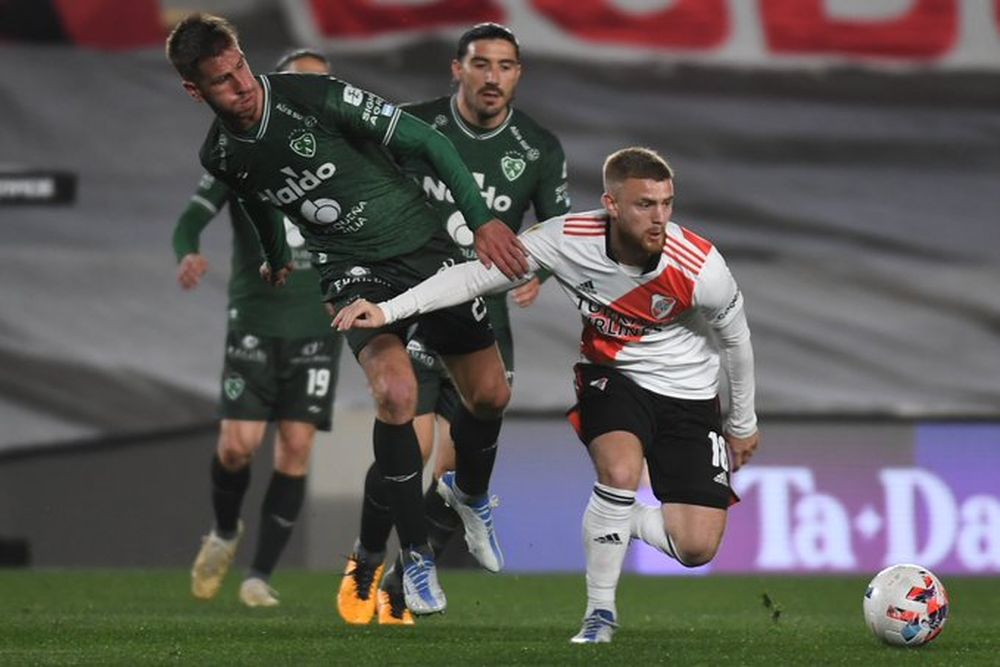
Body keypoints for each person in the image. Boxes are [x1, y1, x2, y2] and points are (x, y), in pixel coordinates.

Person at [166, 13, 528, 616]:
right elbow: (256, 197)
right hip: (349, 270)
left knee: (489, 396)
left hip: (423, 249)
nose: (242, 86)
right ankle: (413, 558)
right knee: (394, 394)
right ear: (194, 91)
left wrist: (483, 218)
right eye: (223, 83)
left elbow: (428, 141)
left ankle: (470, 496)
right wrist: (278, 255)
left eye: (241, 69)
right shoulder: (221, 152)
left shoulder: (311, 96)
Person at [333, 147, 761, 643]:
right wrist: (388, 311)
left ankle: (616, 517)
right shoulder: (565, 239)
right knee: (619, 472)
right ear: (612, 204)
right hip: (612, 377)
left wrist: (743, 422)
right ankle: (600, 615)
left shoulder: (701, 266)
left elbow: (737, 340)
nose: (660, 216)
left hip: (690, 395)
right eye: (645, 204)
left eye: (667, 203)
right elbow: (474, 276)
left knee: (695, 549)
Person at [336, 22, 572, 627]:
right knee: (407, 442)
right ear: (457, 69)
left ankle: (405, 577)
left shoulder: (537, 147)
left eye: (506, 66)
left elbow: (557, 230)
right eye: (481, 63)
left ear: (519, 74)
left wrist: (536, 274)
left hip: (483, 315)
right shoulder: (412, 127)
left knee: (452, 464)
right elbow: (360, 186)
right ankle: (365, 555)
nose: (493, 77)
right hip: (413, 302)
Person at [174, 48, 338, 609]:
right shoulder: (239, 150)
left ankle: (258, 576)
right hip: (255, 319)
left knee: (295, 449)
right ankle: (223, 532)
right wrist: (188, 250)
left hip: (317, 325)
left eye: (320, 86)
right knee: (239, 448)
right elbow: (193, 216)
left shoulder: (346, 157)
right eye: (298, 84)